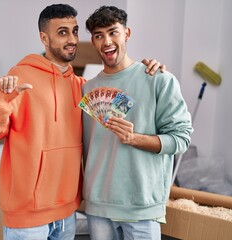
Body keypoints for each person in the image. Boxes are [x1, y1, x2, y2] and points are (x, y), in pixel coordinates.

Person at [0, 4, 164, 240]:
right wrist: (1, 100)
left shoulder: (81, 87)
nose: (72, 39)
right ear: (44, 38)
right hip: (27, 217)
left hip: (66, 215)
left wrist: (146, 70)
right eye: (62, 32)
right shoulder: (19, 78)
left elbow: (121, 91)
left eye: (74, 31)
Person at [81, 6, 194, 240]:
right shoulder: (86, 89)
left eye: (113, 32)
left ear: (127, 33)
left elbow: (181, 139)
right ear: (92, 41)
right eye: (99, 35)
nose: (107, 41)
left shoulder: (159, 80)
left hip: (141, 206)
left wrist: (135, 139)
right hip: (97, 205)